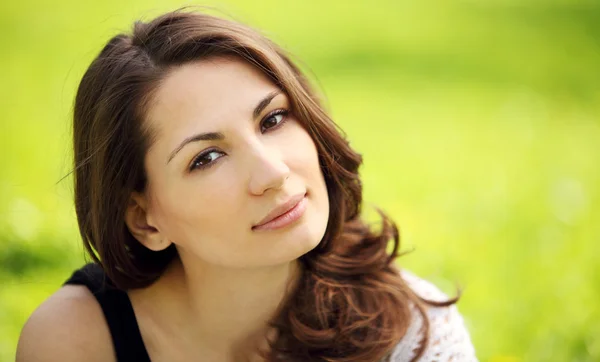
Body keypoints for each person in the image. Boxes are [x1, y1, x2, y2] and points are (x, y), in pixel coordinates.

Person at [16, 9, 477, 362]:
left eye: (273, 119)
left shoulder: (413, 333)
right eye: (207, 158)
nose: (273, 173)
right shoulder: (76, 339)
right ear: (144, 218)